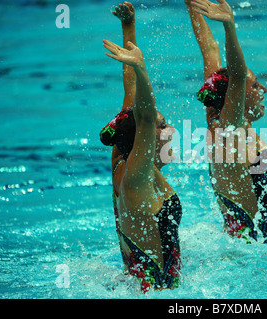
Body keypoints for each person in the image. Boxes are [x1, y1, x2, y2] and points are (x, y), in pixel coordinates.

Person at [100, 2, 182, 292]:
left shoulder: (121, 157)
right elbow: (145, 115)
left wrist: (128, 26)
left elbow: (131, 95)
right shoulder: (136, 177)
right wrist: (141, 66)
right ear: (142, 140)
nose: (170, 131)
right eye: (162, 126)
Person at [186, 0, 267, 244]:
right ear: (237, 95)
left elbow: (209, 49)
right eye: (255, 85)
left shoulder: (216, 118)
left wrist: (191, 4)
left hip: (237, 246)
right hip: (251, 254)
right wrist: (229, 27)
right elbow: (236, 74)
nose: (264, 88)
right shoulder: (231, 130)